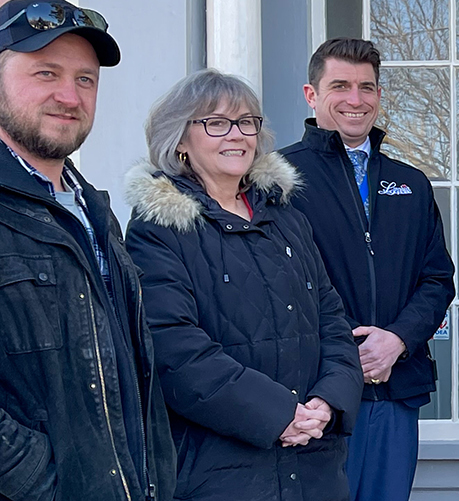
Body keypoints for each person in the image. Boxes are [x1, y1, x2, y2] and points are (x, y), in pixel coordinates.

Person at [124, 69, 363, 501]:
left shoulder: (287, 218)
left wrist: (328, 401)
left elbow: (332, 320)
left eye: (246, 122)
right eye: (216, 123)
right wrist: (277, 415)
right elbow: (175, 350)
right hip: (220, 474)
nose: (236, 135)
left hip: (314, 464)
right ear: (180, 139)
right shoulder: (159, 229)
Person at [0, 2, 176, 499]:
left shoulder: (93, 210)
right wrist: (47, 486)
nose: (69, 96)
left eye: (85, 79)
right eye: (46, 73)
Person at [278, 37, 455, 501]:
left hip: (396, 392)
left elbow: (438, 279)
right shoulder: (276, 179)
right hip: (315, 398)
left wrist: (397, 339)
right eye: (340, 86)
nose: (355, 100)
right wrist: (342, 352)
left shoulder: (411, 184)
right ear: (311, 94)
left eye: (367, 87)